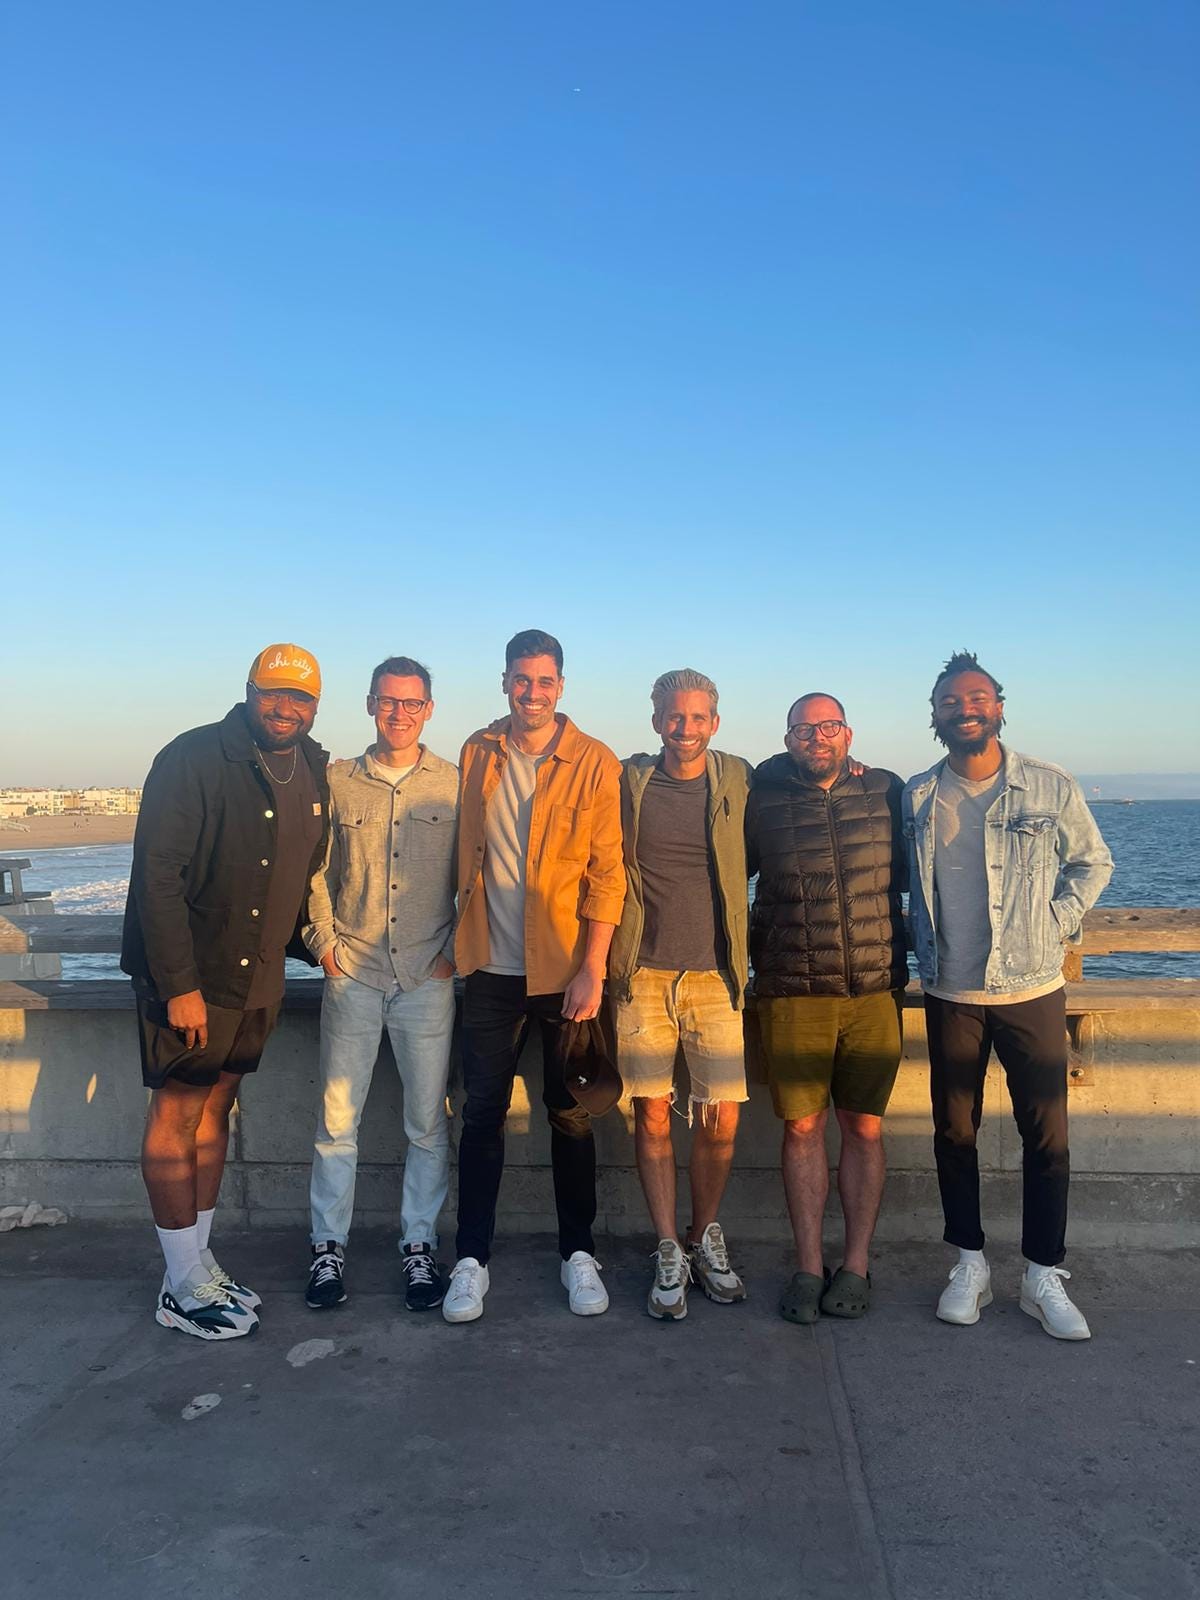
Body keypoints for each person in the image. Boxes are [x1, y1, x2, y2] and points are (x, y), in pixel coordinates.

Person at [903, 651, 1113, 1340]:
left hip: (1031, 988)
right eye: (949, 700)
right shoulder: (917, 795)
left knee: (1046, 1136)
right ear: (935, 714)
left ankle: (1042, 1274)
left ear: (998, 706)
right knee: (953, 1132)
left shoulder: (1048, 785)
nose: (963, 709)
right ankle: (970, 1264)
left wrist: (1055, 922)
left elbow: (1092, 862)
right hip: (950, 989)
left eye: (976, 698)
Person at [122, 644, 328, 1339]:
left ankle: (198, 1263)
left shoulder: (313, 766)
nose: (285, 707)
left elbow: (304, 873)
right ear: (248, 691)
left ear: (315, 706)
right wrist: (178, 987)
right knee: (177, 1114)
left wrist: (322, 948)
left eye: (300, 697)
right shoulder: (193, 758)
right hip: (195, 980)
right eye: (273, 692)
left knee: (217, 1110)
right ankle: (180, 1285)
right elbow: (157, 877)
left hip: (258, 980)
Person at [443, 629, 625, 1323]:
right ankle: (471, 1259)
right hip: (489, 965)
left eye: (545, 680)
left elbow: (608, 873)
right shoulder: (477, 751)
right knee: (481, 1113)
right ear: (505, 682)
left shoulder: (594, 760)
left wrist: (593, 968)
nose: (532, 692)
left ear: (561, 687)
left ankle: (578, 1254)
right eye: (521, 679)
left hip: (564, 971)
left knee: (570, 1113)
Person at [302, 656, 458, 1313]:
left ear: (429, 709)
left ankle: (419, 1247)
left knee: (427, 1124)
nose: (400, 713)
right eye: (388, 701)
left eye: (411, 702)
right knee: (337, 1123)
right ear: (370, 704)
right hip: (354, 975)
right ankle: (327, 1250)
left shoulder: (455, 784)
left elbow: (476, 874)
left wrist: (453, 952)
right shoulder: (337, 782)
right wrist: (324, 945)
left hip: (427, 977)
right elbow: (314, 870)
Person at [746, 694, 906, 1325]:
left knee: (864, 1129)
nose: (818, 737)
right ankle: (810, 1266)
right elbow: (726, 869)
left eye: (829, 726)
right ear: (788, 738)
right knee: (802, 1129)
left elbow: (925, 870)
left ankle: (857, 1265)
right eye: (804, 729)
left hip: (873, 990)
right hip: (792, 992)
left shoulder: (887, 791)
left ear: (849, 733)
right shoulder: (762, 795)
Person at [609, 669, 751, 1319]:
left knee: (722, 1118)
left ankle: (703, 1235)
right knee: (652, 1116)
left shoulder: (739, 778)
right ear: (656, 720)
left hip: (716, 977)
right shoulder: (629, 780)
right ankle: (668, 1245)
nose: (684, 728)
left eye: (697, 717)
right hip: (642, 975)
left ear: (714, 723)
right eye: (674, 716)